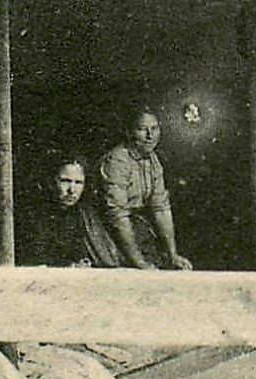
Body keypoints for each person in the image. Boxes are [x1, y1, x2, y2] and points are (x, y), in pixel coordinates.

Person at [98, 108, 193, 271]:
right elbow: (117, 215)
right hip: (106, 228)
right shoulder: (117, 160)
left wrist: (173, 254)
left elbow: (161, 208)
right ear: (129, 132)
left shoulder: (153, 159)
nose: (150, 135)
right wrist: (139, 261)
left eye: (154, 129)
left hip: (134, 225)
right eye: (142, 129)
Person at [23, 158, 119, 268]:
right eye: (65, 181)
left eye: (78, 182)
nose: (72, 190)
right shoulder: (35, 215)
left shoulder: (86, 216)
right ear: (51, 181)